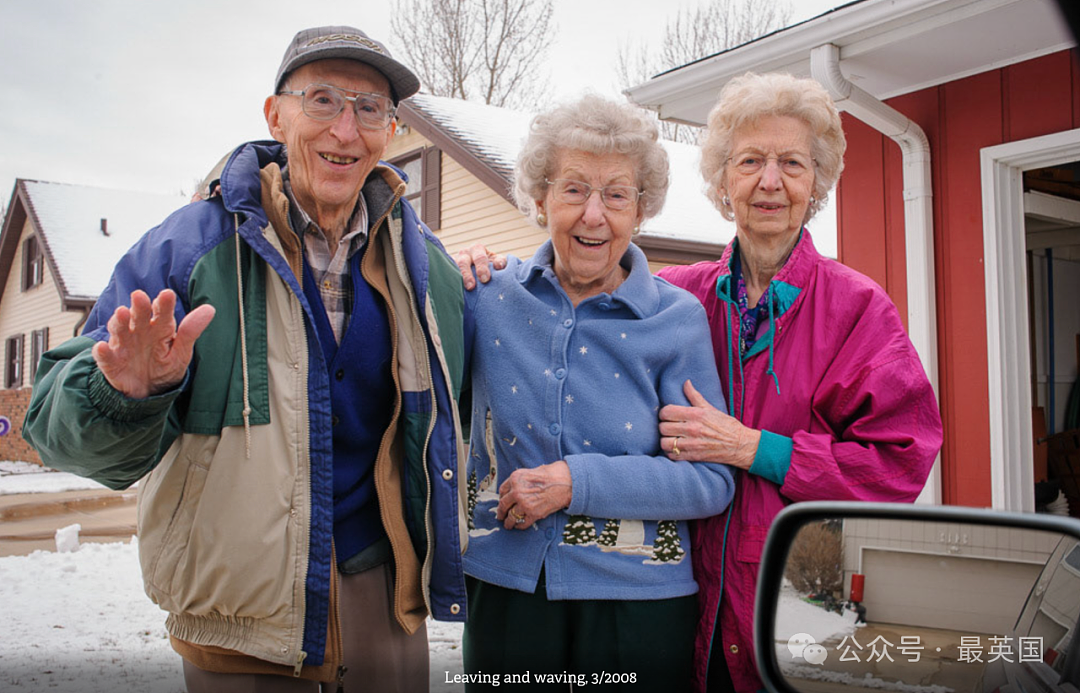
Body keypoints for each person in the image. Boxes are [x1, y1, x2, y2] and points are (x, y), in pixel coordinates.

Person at [23, 26, 469, 692]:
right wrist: (123, 394)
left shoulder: (425, 262)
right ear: (275, 114)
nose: (346, 130)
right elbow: (55, 428)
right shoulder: (188, 246)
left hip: (385, 595)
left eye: (369, 108)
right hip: (244, 613)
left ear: (391, 128)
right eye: (322, 101)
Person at [653, 72, 943, 693]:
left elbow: (897, 462)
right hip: (680, 600)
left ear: (816, 184)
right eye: (750, 160)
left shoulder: (857, 308)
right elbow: (587, 301)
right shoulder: (677, 298)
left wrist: (754, 449)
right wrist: (485, 266)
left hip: (796, 609)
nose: (770, 181)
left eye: (792, 162)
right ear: (723, 181)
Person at [460, 95, 735, 691]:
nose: (594, 214)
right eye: (573, 189)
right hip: (506, 590)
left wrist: (574, 482)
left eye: (616, 194)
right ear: (539, 200)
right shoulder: (486, 295)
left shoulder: (675, 318)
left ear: (641, 210)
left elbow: (710, 482)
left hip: (638, 605)